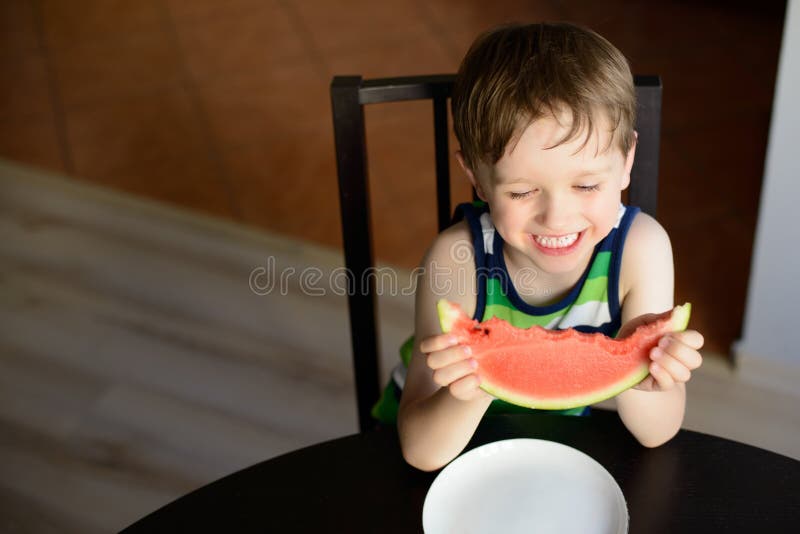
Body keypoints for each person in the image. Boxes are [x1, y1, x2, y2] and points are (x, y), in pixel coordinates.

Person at [390, 22, 705, 472]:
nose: (557, 218)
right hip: (453, 443)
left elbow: (656, 432)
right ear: (476, 178)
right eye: (521, 193)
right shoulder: (456, 259)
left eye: (587, 184)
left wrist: (647, 380)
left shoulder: (641, 251)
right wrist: (474, 385)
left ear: (626, 163)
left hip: (561, 446)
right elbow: (421, 451)